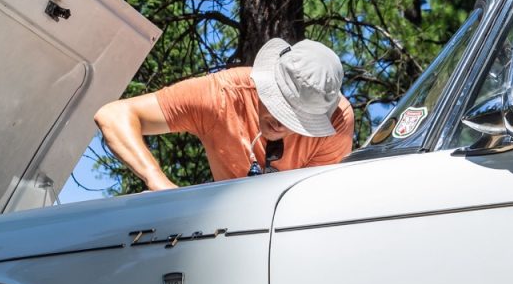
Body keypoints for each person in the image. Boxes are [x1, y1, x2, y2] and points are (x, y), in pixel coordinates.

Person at [94, 38, 355, 189]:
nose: (280, 122)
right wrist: (158, 182)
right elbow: (113, 115)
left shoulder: (337, 122)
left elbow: (312, 197)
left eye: (297, 119)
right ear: (264, 84)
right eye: (278, 105)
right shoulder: (223, 94)